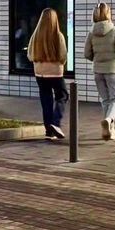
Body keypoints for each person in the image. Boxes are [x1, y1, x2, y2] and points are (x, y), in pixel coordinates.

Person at [84, 3, 115, 140]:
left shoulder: (91, 33)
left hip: (98, 71)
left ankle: (110, 130)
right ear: (108, 13)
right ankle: (109, 120)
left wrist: (97, 58)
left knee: (105, 100)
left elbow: (87, 54)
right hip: (113, 70)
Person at [28, 8, 68, 140]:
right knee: (62, 96)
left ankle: (48, 131)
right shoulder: (58, 36)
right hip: (55, 73)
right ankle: (55, 122)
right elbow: (63, 56)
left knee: (46, 100)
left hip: (40, 73)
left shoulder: (35, 36)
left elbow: (30, 55)